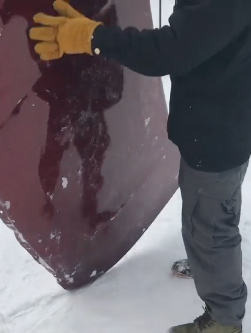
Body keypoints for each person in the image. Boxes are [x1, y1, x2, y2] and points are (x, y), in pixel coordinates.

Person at [28, 0, 251, 332]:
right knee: (212, 216)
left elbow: (168, 51)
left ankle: (224, 319)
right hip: (222, 124)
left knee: (211, 228)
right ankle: (210, 264)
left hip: (217, 134)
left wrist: (93, 36)